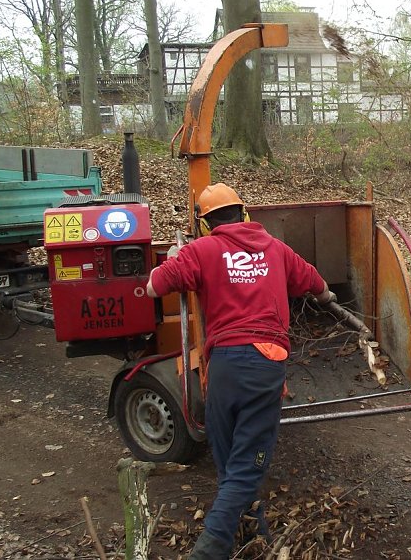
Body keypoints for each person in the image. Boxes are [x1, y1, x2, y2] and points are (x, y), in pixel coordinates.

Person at [146, 183, 336, 559]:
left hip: (224, 367)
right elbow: (318, 285)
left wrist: (175, 257)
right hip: (265, 363)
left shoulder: (200, 250)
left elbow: (154, 287)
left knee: (230, 455)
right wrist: (327, 298)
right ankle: (214, 547)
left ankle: (248, 535)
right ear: (244, 213)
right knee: (246, 463)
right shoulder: (276, 249)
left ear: (204, 224)